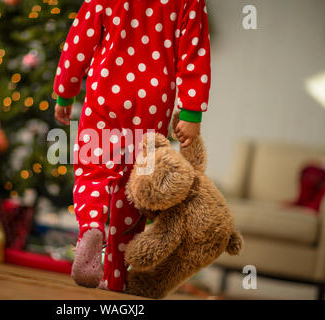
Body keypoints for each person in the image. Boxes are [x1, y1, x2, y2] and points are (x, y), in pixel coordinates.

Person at [53, 0, 211, 292]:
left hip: (105, 90)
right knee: (135, 186)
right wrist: (191, 111)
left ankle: (91, 226)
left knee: (93, 169)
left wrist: (65, 91)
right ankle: (115, 277)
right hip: (154, 99)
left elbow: (80, 40)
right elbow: (195, 49)